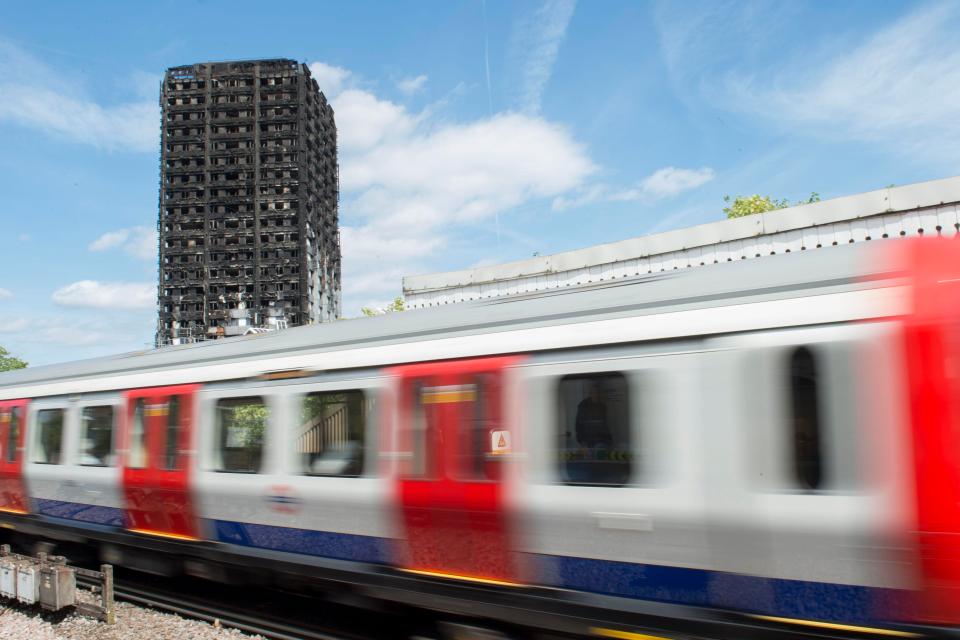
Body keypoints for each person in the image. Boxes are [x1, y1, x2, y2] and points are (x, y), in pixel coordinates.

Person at [575, 384, 612, 448]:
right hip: (586, 440)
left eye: (598, 393)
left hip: (600, 439)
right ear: (590, 393)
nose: (596, 395)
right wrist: (582, 441)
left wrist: (609, 439)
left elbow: (604, 425)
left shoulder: (602, 406)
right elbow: (578, 424)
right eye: (594, 392)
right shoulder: (583, 405)